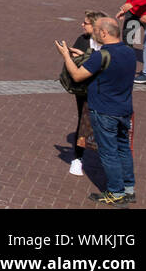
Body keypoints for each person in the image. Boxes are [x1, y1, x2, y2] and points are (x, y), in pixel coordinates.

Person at [56, 16, 136, 206]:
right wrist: (85, 55)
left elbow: (76, 76)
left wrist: (66, 56)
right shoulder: (129, 52)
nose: (94, 33)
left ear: (104, 33)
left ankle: (116, 193)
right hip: (124, 108)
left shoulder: (102, 56)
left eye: (97, 30)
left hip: (104, 110)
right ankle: (129, 189)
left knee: (108, 153)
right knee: (123, 148)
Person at [65, 10, 107, 176]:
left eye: (86, 23)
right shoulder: (82, 40)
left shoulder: (108, 42)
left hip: (104, 90)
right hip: (84, 89)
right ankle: (77, 158)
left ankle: (107, 156)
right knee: (84, 120)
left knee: (103, 123)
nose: (82, 25)